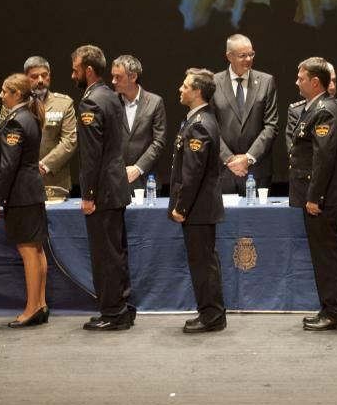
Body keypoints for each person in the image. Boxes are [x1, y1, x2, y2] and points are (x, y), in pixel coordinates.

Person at [71, 45, 134, 331]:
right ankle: (122, 306)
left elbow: (91, 155)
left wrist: (88, 195)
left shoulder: (90, 102)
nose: (72, 75)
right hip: (115, 186)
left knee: (105, 256)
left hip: (103, 192)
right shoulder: (111, 97)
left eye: (75, 70)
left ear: (88, 70)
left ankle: (113, 313)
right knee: (116, 252)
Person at [289, 57, 337, 331]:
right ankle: (328, 307)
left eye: (301, 78)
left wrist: (314, 197)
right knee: (322, 255)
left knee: (327, 256)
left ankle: (335, 312)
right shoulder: (315, 108)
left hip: (323, 197)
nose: (297, 82)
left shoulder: (324, 110)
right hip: (319, 195)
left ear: (315, 82)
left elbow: (323, 159)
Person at [0, 74, 49, 328]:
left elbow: (8, 166)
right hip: (31, 191)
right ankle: (41, 304)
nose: (0, 95)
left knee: (28, 252)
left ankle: (31, 308)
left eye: (5, 91)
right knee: (36, 250)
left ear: (17, 94)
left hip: (20, 195)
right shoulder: (29, 116)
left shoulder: (16, 122)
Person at [169, 68, 226, 333]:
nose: (180, 89)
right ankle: (210, 312)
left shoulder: (200, 124)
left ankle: (212, 316)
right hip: (200, 207)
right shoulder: (197, 120)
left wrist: (181, 206)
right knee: (202, 263)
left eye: (184, 85)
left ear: (198, 91)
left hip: (198, 208)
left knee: (203, 264)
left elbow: (192, 172)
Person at [211, 34, 279, 194]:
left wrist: (248, 158)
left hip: (257, 168)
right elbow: (210, 127)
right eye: (243, 55)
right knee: (223, 219)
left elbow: (271, 126)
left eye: (251, 54)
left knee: (257, 219)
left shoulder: (266, 81)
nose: (248, 59)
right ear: (229, 56)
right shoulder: (213, 82)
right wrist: (229, 159)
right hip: (223, 169)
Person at [11, 56, 76, 197]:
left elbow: (69, 141)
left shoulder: (64, 103)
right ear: (25, 78)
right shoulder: (14, 103)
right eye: (34, 76)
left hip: (55, 181)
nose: (40, 80)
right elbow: (7, 142)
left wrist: (44, 166)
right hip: (21, 180)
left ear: (49, 76)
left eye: (44, 75)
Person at [287, 62, 337, 174]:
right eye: (329, 81)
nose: (332, 86)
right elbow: (295, 150)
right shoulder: (297, 111)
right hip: (309, 176)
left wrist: (335, 173)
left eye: (334, 81)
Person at [111, 54, 167, 191]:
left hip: (147, 181)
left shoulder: (155, 102)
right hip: (115, 181)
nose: (113, 81)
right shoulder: (110, 102)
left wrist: (138, 168)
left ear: (133, 77)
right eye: (112, 76)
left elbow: (158, 142)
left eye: (118, 77)